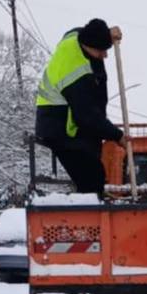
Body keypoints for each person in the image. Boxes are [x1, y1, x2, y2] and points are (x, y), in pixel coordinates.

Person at [35, 18, 126, 195]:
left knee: (93, 164)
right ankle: (90, 215)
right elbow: (87, 116)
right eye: (101, 51)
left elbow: (82, 31)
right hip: (58, 126)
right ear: (88, 46)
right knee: (90, 176)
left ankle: (93, 206)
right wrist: (117, 136)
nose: (104, 55)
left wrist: (108, 33)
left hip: (72, 120)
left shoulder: (77, 37)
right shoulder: (74, 70)